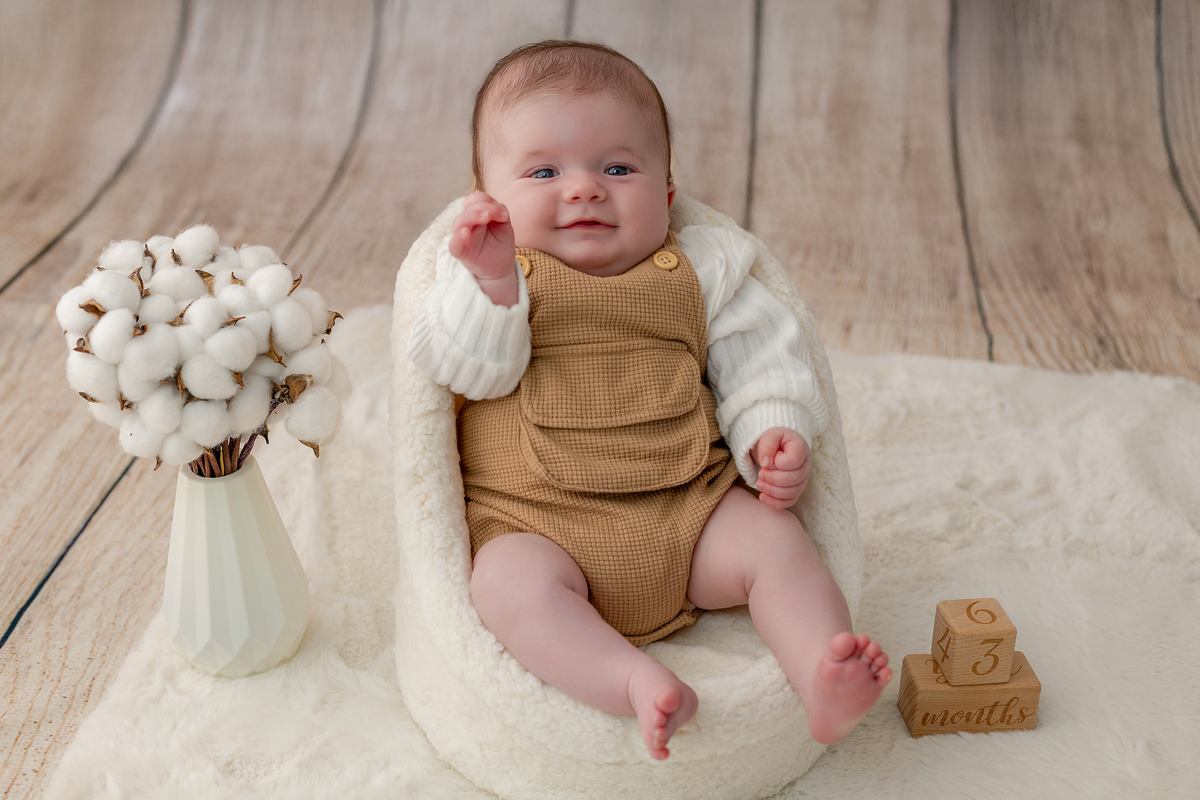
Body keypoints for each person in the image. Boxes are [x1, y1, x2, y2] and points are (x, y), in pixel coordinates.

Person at [407, 40, 890, 760]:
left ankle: (823, 673)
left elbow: (763, 356)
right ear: (487, 196)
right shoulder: (484, 274)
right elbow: (463, 370)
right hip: (539, 527)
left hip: (689, 517)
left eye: (618, 168)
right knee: (503, 589)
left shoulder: (703, 268)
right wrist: (494, 284)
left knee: (777, 544)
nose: (584, 189)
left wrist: (774, 430)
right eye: (544, 171)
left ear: (666, 195)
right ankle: (629, 679)